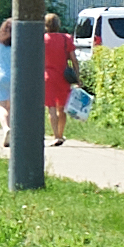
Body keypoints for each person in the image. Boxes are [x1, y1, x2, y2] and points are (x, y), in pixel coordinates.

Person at [44, 11, 81, 146]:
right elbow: (74, 60)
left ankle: (55, 136)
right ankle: (60, 134)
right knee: (62, 108)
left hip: (47, 76)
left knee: (51, 108)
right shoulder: (66, 38)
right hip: (63, 77)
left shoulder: (42, 39)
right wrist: (77, 76)